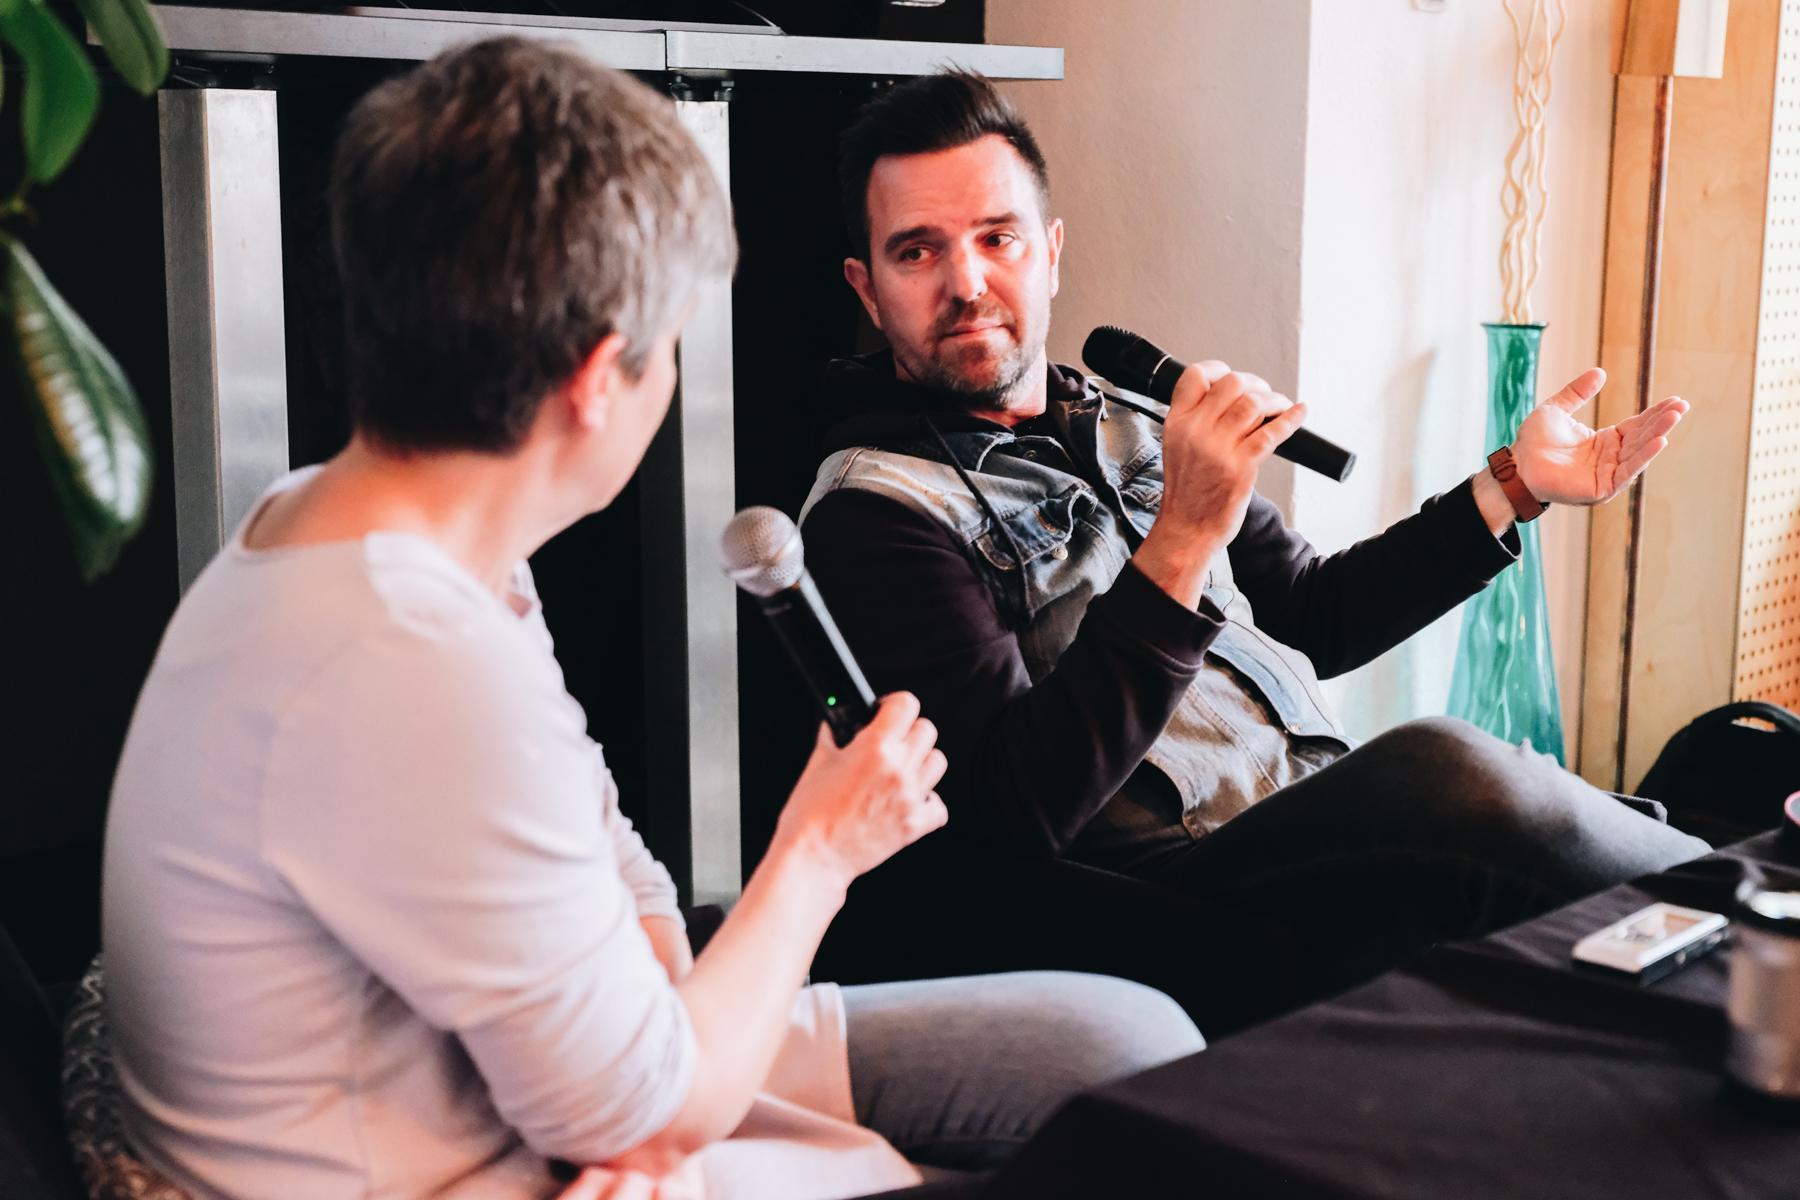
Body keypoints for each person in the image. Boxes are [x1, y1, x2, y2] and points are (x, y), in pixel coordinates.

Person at [100, 41, 1203, 1200]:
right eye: (670, 342)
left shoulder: (394, 530)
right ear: (595, 381)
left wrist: (662, 1072)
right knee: (1145, 1154)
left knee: (1125, 1047)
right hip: (472, 1162)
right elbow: (642, 1113)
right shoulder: (406, 658)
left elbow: (617, 861)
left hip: (568, 1077)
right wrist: (819, 850)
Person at [797, 70, 1711, 1035]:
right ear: (868, 288)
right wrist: (1184, 537)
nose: (968, 283)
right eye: (918, 251)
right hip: (1174, 901)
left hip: (1312, 815)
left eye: (998, 238)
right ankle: (1743, 908)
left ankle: (1735, 931)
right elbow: (1012, 811)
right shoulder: (871, 513)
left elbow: (1315, 613)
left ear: (1051, 254)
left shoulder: (1129, 418)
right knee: (1450, 769)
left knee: (1566, 840)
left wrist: (1513, 487)